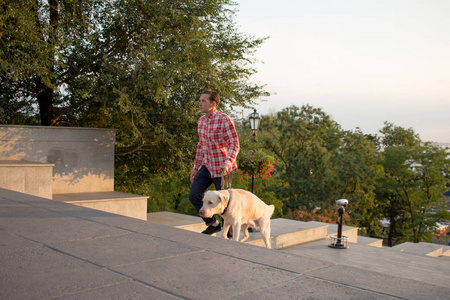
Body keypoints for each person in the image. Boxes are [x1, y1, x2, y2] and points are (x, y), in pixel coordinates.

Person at [189, 90, 240, 235]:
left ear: (213, 103)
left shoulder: (224, 119)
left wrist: (227, 163)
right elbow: (201, 145)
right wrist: (196, 167)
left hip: (222, 169)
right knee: (194, 195)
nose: (200, 103)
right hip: (207, 166)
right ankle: (212, 224)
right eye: (200, 100)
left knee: (225, 204)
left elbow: (234, 144)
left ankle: (228, 233)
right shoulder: (201, 121)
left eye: (203, 101)